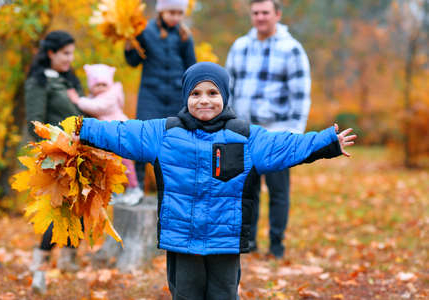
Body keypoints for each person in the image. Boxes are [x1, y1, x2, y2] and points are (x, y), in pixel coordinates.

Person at [76, 62, 356, 299]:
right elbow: (122, 133)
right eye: (196, 93)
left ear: (225, 95)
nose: (204, 100)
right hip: (181, 240)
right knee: (185, 294)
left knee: (224, 294)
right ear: (186, 96)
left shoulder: (246, 137)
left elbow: (285, 146)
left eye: (212, 92)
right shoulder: (164, 132)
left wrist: (327, 142)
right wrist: (84, 129)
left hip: (225, 240)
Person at [226, 0, 311, 258]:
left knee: (278, 191)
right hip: (243, 132)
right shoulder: (239, 47)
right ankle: (248, 243)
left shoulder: (292, 49)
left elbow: (301, 94)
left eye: (265, 12)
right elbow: (227, 89)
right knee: (245, 190)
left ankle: (276, 245)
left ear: (277, 14)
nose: (260, 17)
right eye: (255, 13)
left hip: (277, 133)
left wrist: (295, 134)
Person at [24, 30, 84, 293]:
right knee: (58, 211)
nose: (70, 58)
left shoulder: (70, 79)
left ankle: (70, 263)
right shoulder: (39, 82)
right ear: (51, 53)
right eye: (65, 53)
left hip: (81, 153)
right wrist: (58, 143)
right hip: (56, 156)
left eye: (72, 53)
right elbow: (34, 122)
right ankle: (39, 267)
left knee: (81, 207)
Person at [125, 0, 196, 193]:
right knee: (142, 137)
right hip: (151, 95)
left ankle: (174, 187)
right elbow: (133, 61)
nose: (175, 17)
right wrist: (130, 45)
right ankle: (136, 186)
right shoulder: (146, 32)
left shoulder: (184, 36)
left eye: (179, 13)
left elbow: (191, 67)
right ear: (161, 12)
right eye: (171, 12)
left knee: (175, 141)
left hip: (175, 97)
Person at [68, 64, 143, 205]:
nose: (101, 87)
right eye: (97, 85)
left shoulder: (110, 96)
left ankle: (134, 188)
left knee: (125, 163)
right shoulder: (96, 97)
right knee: (110, 165)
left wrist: (78, 100)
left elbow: (96, 107)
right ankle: (118, 191)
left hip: (119, 135)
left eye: (104, 84)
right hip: (110, 139)